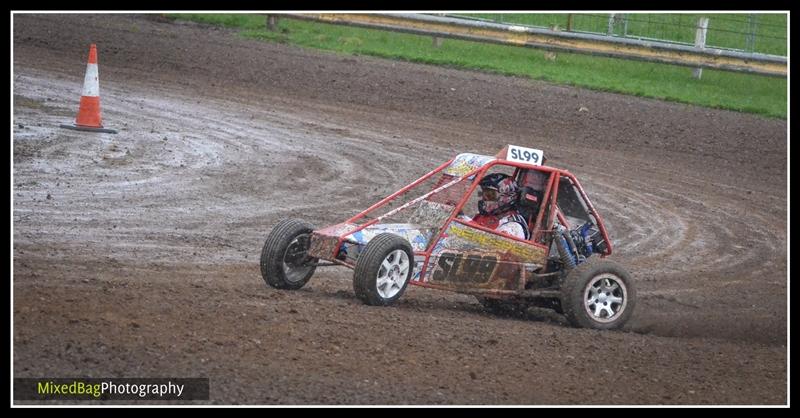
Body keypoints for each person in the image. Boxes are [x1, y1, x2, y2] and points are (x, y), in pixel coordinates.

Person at [459, 173, 530, 240]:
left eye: (490, 194)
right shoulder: (487, 215)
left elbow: (488, 246)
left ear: (507, 197)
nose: (485, 197)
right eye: (483, 193)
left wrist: (463, 219)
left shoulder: (513, 227)